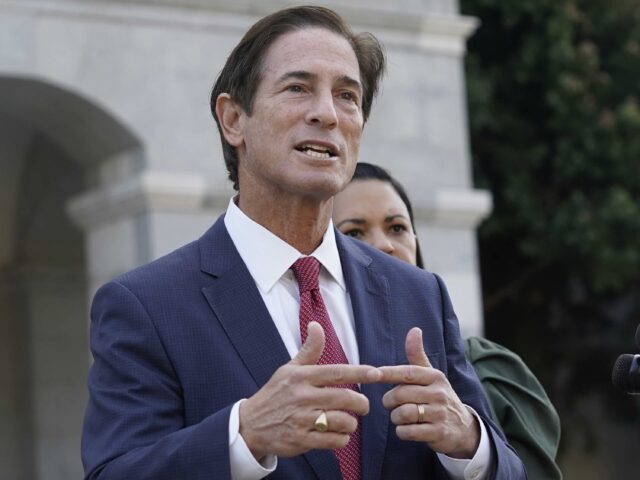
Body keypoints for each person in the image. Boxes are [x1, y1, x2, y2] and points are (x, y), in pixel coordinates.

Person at [81, 6, 525, 480]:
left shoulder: (419, 294)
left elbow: (510, 470)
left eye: (347, 96)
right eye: (297, 88)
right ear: (233, 119)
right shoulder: (147, 306)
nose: (327, 114)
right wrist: (244, 435)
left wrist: (470, 445)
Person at [333, 162, 562, 479]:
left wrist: (470, 445)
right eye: (354, 232)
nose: (384, 244)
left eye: (397, 227)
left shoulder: (488, 369)